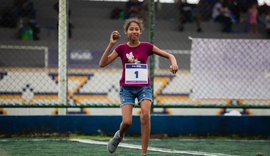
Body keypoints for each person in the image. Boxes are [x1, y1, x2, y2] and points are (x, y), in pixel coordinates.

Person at [99, 18, 178, 156]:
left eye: (136, 29)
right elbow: (102, 63)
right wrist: (111, 44)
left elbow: (169, 55)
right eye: (131, 29)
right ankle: (119, 134)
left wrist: (174, 63)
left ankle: (143, 154)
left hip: (144, 87)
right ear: (126, 31)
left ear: (140, 31)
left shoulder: (147, 47)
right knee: (127, 122)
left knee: (145, 115)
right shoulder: (121, 48)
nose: (134, 31)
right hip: (127, 89)